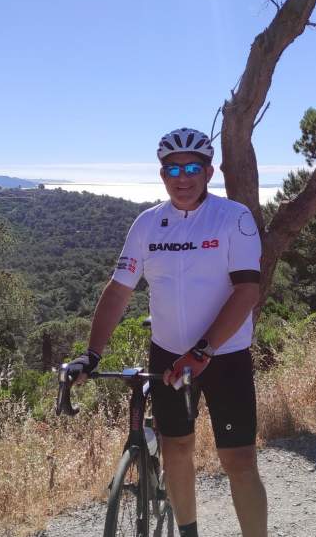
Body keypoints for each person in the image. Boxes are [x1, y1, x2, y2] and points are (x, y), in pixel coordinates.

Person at [67, 127, 267, 537]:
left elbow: (248, 290)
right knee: (176, 450)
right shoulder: (147, 224)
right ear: (162, 174)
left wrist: (204, 349)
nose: (183, 176)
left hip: (224, 357)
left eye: (193, 167)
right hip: (168, 355)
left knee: (239, 461)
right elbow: (119, 290)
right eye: (172, 168)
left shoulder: (234, 218)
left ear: (209, 171)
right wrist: (92, 353)